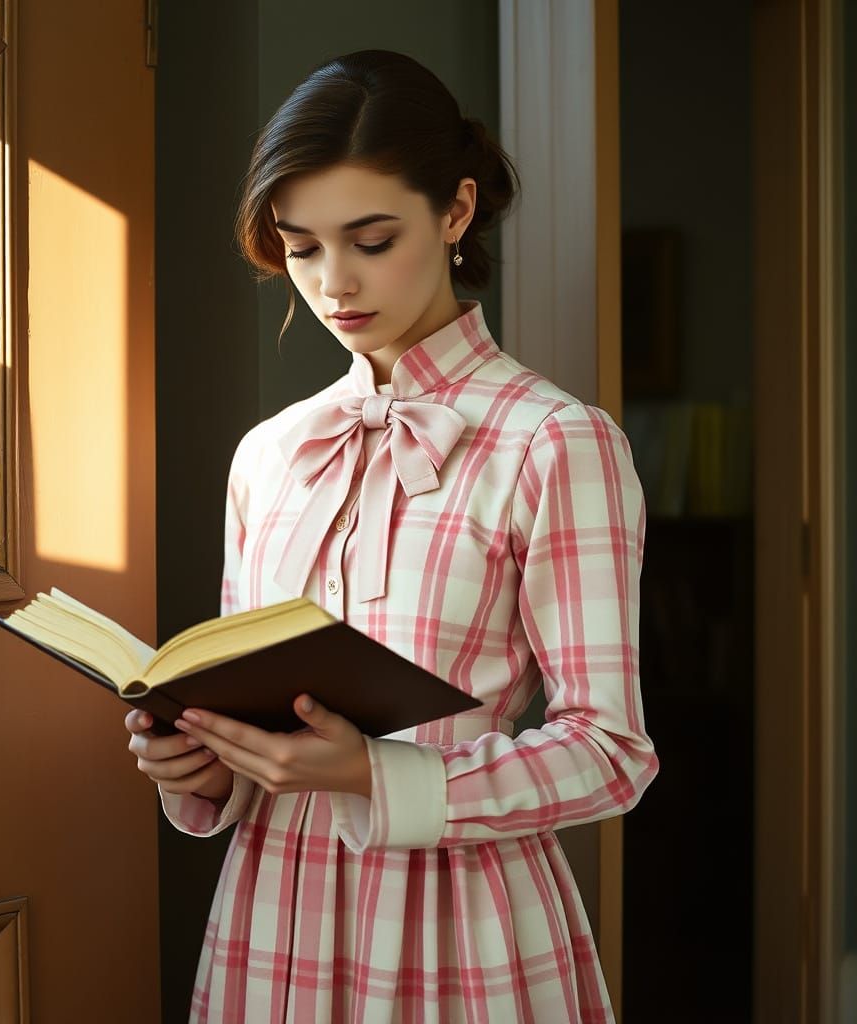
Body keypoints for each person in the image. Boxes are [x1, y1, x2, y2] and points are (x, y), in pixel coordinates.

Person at [126, 48, 659, 1023]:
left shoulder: (553, 440)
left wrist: (379, 774)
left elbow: (611, 750)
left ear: (456, 211)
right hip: (273, 914)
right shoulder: (270, 453)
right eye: (301, 248)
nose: (334, 283)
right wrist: (202, 765)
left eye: (371, 240)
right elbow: (249, 706)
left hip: (459, 920)